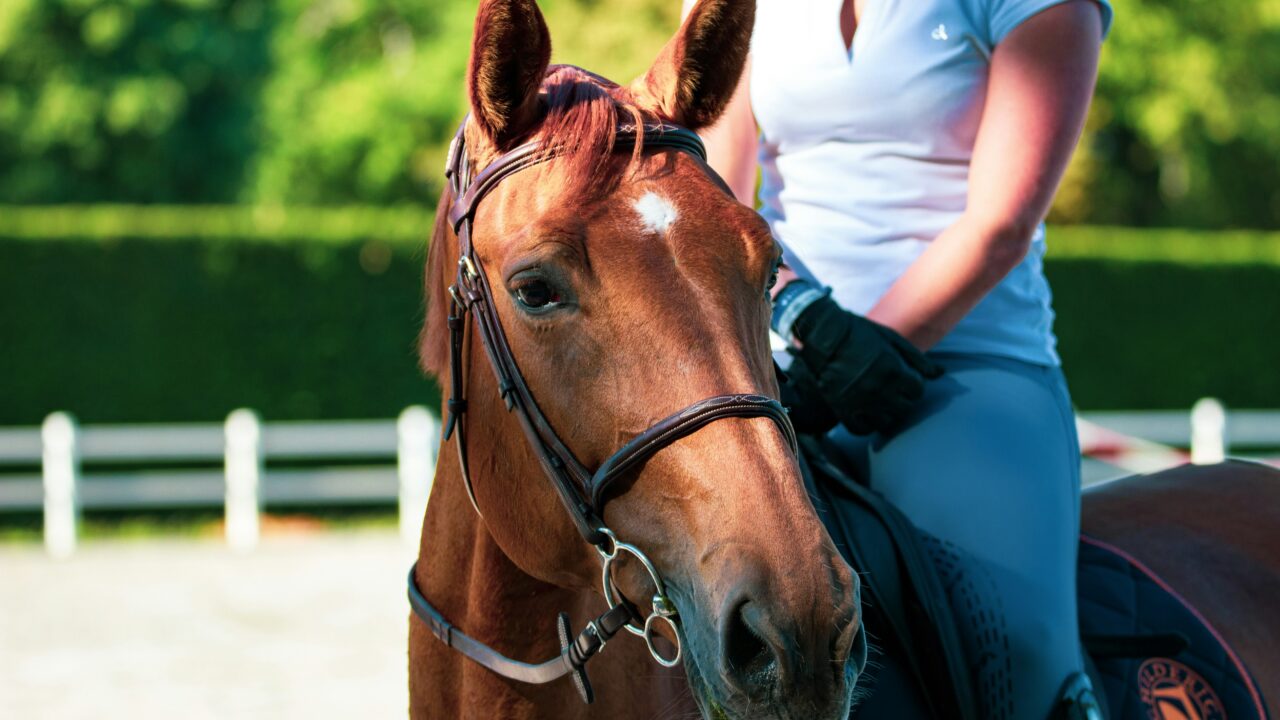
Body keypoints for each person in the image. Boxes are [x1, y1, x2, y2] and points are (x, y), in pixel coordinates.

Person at [683, 0, 1112, 716]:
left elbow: (999, 223)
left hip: (966, 365)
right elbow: (708, 191)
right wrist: (799, 316)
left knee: (1018, 650)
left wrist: (856, 348)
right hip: (779, 364)